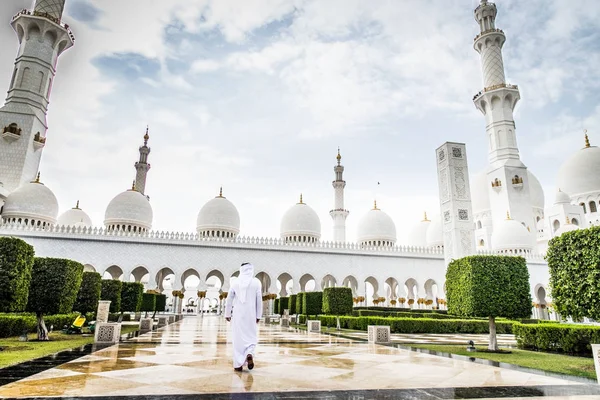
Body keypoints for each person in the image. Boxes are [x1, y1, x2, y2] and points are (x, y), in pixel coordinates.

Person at [225, 262, 263, 372]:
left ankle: (238, 364)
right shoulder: (256, 282)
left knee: (238, 339)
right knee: (251, 337)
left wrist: (227, 313)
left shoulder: (235, 282)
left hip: (238, 315)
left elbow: (229, 299)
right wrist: (258, 315)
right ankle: (249, 353)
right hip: (251, 315)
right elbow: (259, 300)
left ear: (241, 270)